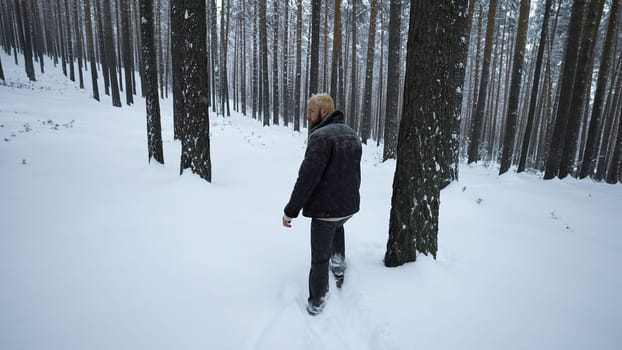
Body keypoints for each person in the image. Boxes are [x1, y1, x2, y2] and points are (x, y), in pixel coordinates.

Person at [282, 93, 362, 316]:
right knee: (337, 225)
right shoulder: (352, 134)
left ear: (324, 112)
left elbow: (307, 178)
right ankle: (338, 266)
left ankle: (317, 302)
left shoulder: (320, 137)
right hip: (349, 208)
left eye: (311, 111)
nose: (307, 117)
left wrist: (290, 211)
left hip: (327, 211)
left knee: (319, 259)